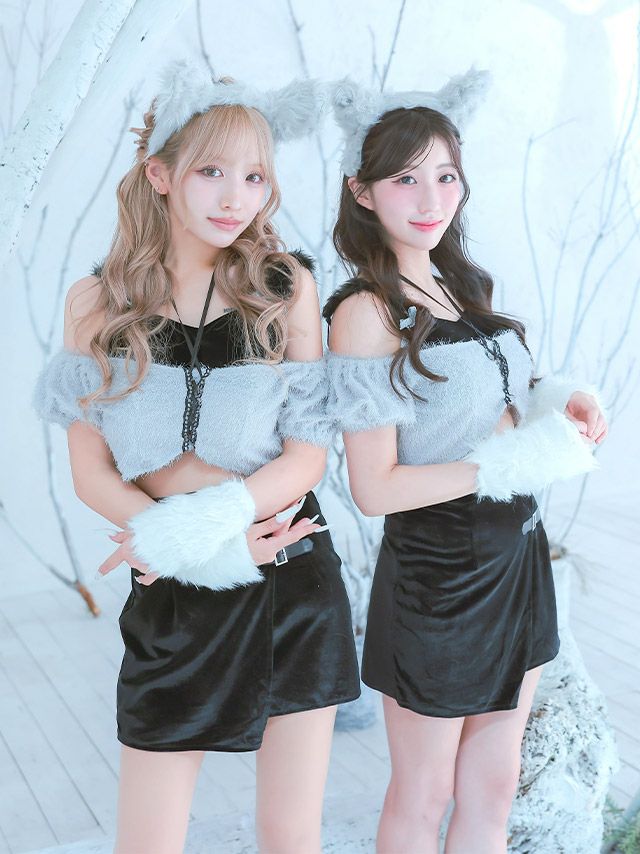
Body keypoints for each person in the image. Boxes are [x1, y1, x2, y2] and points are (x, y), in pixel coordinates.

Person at [35, 61, 360, 854]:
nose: (234, 197)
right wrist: (195, 547)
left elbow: (306, 458)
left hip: (288, 575)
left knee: (290, 836)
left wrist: (211, 531)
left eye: (254, 177)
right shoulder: (97, 303)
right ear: (160, 174)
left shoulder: (286, 288)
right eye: (212, 171)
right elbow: (91, 473)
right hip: (173, 589)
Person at [323, 72, 608, 854]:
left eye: (446, 176)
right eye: (405, 178)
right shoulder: (366, 312)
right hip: (438, 577)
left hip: (519, 560)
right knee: (425, 793)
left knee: (494, 782)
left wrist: (566, 401)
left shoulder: (464, 285)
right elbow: (374, 488)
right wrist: (516, 461)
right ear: (362, 192)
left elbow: (497, 402)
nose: (431, 198)